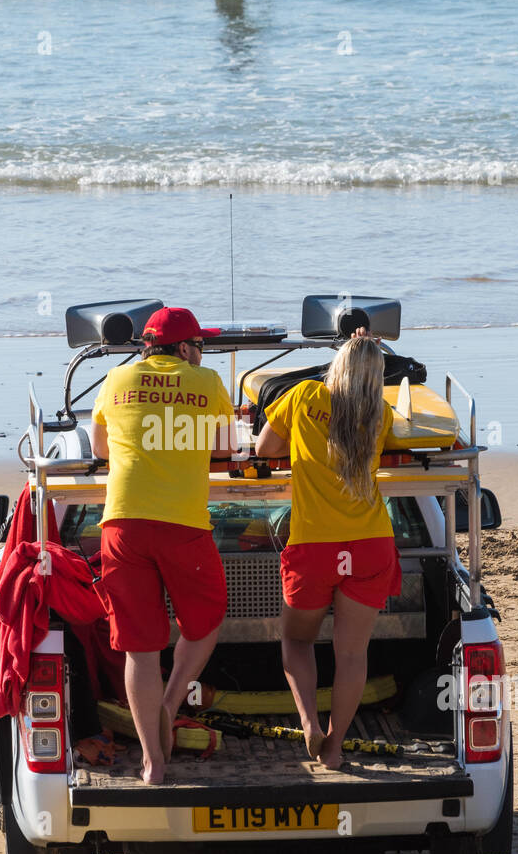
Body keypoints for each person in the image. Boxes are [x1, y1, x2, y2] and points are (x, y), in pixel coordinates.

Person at [91, 308, 236, 785]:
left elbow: (99, 449)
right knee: (207, 617)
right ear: (187, 348)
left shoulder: (115, 379)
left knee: (139, 648)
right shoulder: (207, 381)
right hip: (182, 526)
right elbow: (226, 448)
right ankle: (172, 703)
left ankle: (153, 762)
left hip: (123, 524)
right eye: (201, 346)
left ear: (146, 345)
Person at [255, 331, 401, 769]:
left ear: (335, 365)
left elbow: (264, 449)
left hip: (315, 544)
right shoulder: (381, 416)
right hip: (371, 543)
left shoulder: (303, 396)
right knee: (352, 654)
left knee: (297, 640)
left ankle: (309, 723)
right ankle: (335, 749)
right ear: (377, 380)